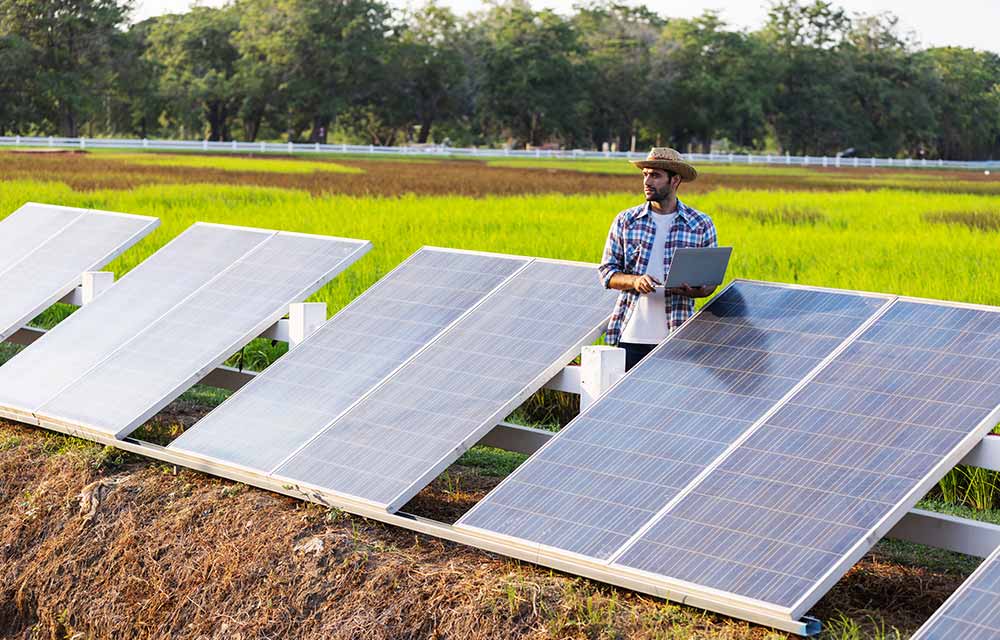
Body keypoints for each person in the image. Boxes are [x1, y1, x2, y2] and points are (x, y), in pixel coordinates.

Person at [598, 147, 719, 370]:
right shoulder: (627, 220)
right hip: (630, 335)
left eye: (655, 175)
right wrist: (635, 281)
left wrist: (691, 290)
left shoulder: (701, 224)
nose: (647, 181)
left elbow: (709, 284)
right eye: (645, 174)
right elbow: (607, 272)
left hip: (677, 337)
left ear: (675, 180)